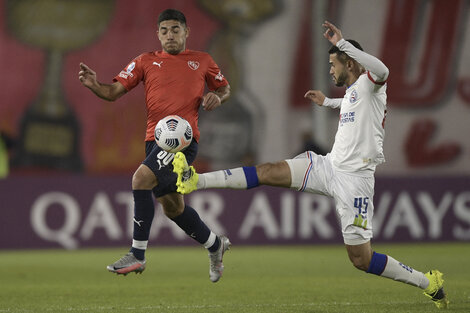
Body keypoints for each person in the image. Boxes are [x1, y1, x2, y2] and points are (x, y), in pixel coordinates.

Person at [173, 21, 448, 308]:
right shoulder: (355, 91)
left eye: (334, 64)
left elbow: (384, 71)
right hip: (327, 167)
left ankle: (428, 282)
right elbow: (350, 104)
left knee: (361, 259)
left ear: (350, 62)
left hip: (355, 180)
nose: (330, 70)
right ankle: (196, 180)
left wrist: (343, 44)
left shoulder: (371, 83)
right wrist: (328, 101)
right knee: (268, 171)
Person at [78, 9, 231, 283]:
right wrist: (94, 85)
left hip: (182, 141)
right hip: (154, 142)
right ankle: (214, 245)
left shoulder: (203, 61)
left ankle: (137, 254)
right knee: (173, 208)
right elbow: (112, 92)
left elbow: (224, 88)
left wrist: (218, 97)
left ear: (186, 32)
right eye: (164, 31)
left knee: (140, 179)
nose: (170, 35)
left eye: (175, 29)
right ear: (157, 34)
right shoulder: (145, 61)